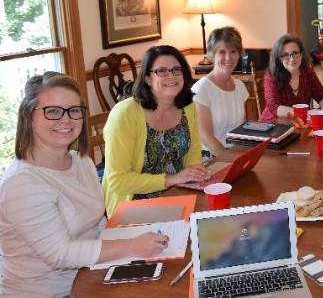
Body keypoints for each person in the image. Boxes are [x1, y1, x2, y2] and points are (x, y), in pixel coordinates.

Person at [0, 72, 168, 297]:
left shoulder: (81, 161)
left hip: (93, 274)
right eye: (52, 111)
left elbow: (97, 222)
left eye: (74, 110)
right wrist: (132, 246)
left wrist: (133, 241)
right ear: (29, 116)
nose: (66, 119)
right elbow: (60, 254)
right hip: (51, 292)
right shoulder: (21, 184)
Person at [102, 45, 208, 216]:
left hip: (178, 195)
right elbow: (117, 180)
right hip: (132, 206)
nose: (172, 76)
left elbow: (193, 159)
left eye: (176, 70)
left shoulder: (188, 106)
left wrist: (195, 179)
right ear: (147, 78)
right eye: (162, 71)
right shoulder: (124, 114)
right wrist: (171, 179)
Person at [192, 27, 249, 157]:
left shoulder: (240, 87)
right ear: (212, 55)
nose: (228, 58)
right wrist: (230, 160)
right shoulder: (201, 90)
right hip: (209, 159)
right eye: (222, 52)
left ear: (239, 54)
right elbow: (206, 138)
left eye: (233, 51)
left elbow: (242, 130)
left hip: (235, 155)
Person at [260, 34, 323, 122]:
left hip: (300, 125)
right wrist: (301, 113)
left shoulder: (308, 73)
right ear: (279, 59)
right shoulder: (271, 75)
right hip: (273, 124)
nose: (292, 59)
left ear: (301, 54)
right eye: (285, 55)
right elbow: (273, 106)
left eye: (295, 53)